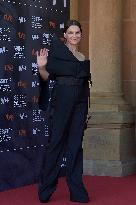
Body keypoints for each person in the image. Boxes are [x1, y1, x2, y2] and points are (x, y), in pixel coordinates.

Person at [37, 20, 91, 203]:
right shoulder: (57, 53)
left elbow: (84, 84)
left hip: (80, 104)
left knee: (75, 146)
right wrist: (42, 66)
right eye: (71, 32)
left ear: (80, 35)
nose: (75, 35)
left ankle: (77, 191)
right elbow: (46, 77)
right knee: (56, 144)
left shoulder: (83, 57)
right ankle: (45, 190)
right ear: (65, 35)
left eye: (77, 32)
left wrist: (85, 107)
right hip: (62, 101)